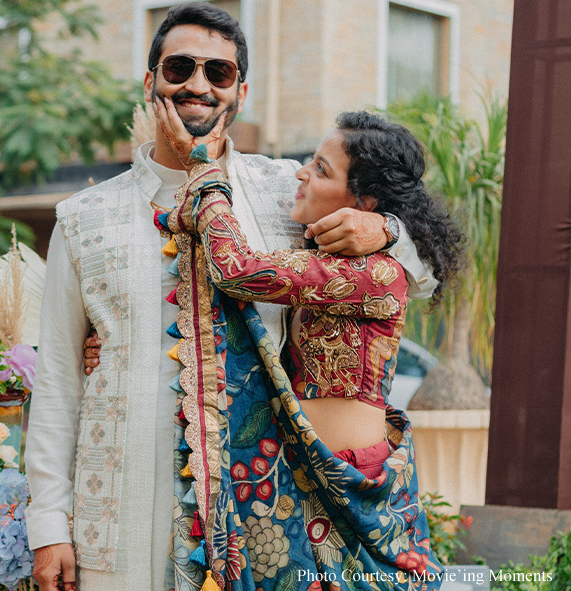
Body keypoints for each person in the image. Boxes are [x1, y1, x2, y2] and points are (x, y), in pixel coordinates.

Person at [24, 2, 436, 591]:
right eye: (180, 68)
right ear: (150, 82)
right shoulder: (85, 218)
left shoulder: (286, 191)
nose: (197, 85)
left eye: (217, 73)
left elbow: (419, 272)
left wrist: (389, 231)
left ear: (240, 92)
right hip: (120, 507)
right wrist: (48, 523)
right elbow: (59, 379)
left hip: (266, 517)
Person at [147, 100, 462, 589]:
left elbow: (237, 270)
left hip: (350, 480)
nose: (300, 175)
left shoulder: (377, 274)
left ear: (365, 203)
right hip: (295, 472)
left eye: (320, 169)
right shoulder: (320, 257)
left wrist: (206, 174)